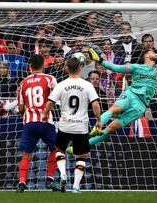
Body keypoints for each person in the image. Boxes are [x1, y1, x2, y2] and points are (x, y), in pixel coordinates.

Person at [87, 28, 157, 145]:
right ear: (146, 56)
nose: (155, 52)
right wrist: (100, 60)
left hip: (140, 106)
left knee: (111, 128)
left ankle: (84, 146)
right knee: (114, 110)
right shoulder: (136, 67)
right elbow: (116, 68)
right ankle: (96, 127)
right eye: (152, 52)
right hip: (131, 94)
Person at [43, 53, 101, 193]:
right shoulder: (87, 85)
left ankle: (63, 173)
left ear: (66, 68)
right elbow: (96, 105)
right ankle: (75, 186)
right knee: (80, 157)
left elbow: (50, 102)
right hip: (81, 126)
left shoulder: (61, 85)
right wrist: (99, 121)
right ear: (80, 69)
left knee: (59, 150)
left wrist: (45, 115)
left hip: (65, 125)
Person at [16, 54, 60, 193]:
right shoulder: (49, 79)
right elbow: (57, 96)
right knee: (56, 149)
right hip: (45, 121)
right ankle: (49, 179)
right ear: (44, 65)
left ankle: (22, 182)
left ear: (30, 66)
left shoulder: (23, 83)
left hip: (29, 122)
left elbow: (21, 108)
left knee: (26, 154)